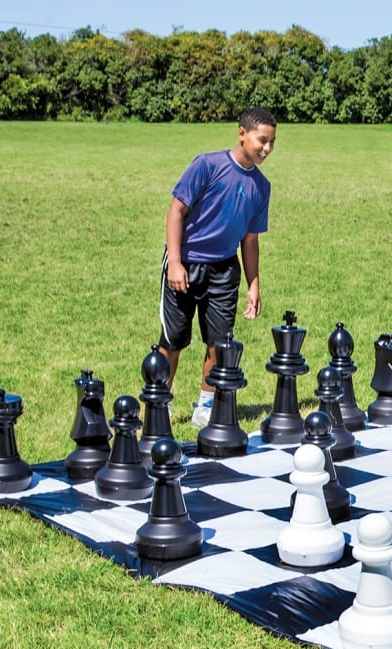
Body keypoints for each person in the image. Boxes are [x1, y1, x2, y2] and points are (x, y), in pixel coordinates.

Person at [158, 106, 276, 427]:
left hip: (224, 270)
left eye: (271, 143)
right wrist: (176, 263)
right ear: (241, 133)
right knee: (173, 340)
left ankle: (206, 406)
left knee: (219, 342)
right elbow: (176, 212)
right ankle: (160, 401)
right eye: (261, 140)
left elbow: (250, 240)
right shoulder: (207, 166)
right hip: (187, 262)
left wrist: (253, 284)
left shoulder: (261, 187)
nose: (266, 148)